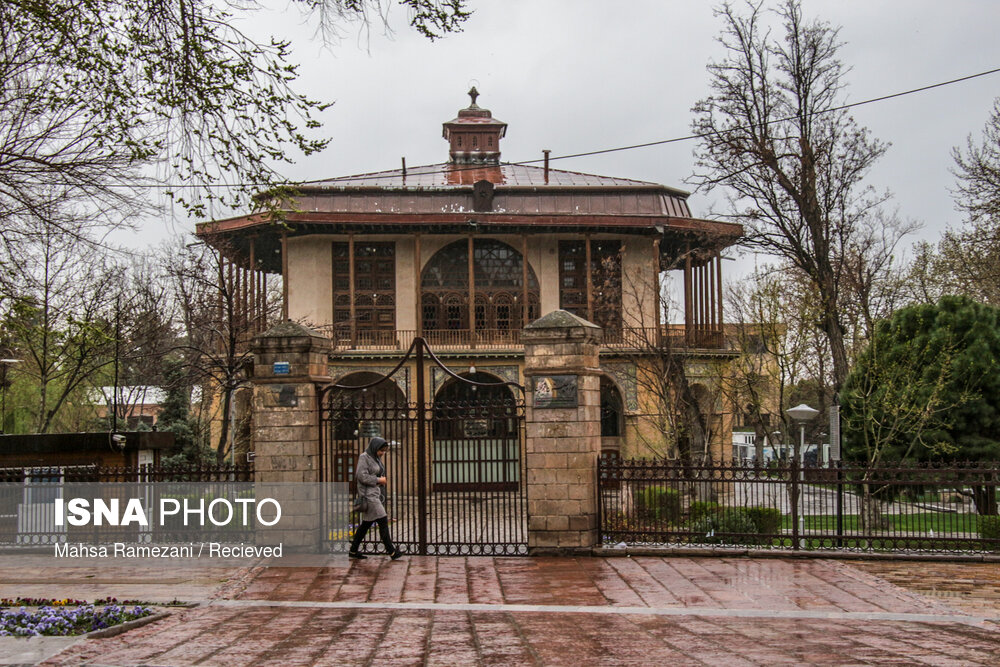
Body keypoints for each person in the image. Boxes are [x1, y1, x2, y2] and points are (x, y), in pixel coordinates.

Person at [349, 437, 402, 560]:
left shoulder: (375, 458)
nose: (382, 453)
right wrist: (379, 480)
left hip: (374, 493)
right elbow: (361, 476)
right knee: (383, 520)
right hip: (368, 496)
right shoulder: (364, 457)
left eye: (384, 451)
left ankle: (353, 550)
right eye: (381, 450)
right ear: (374, 448)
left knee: (365, 525)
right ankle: (392, 551)